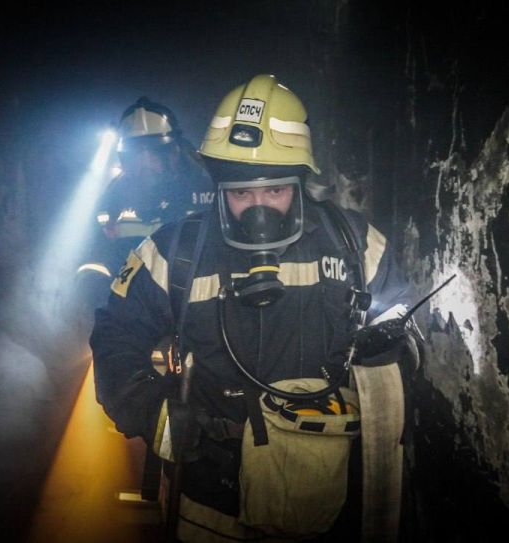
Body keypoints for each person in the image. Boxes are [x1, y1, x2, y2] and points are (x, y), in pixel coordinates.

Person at [91, 74, 419, 541]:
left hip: (321, 489)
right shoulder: (174, 252)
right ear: (218, 187)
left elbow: (400, 316)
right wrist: (151, 409)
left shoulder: (354, 243)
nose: (257, 208)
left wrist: (386, 343)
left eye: (275, 191)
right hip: (211, 496)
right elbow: (114, 334)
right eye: (241, 193)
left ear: (300, 182)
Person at [76, 97, 215, 310]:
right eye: (135, 156)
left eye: (154, 153)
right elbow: (95, 253)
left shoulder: (205, 186)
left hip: (197, 304)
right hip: (135, 306)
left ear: (174, 152)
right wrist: (98, 289)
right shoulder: (113, 197)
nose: (144, 164)